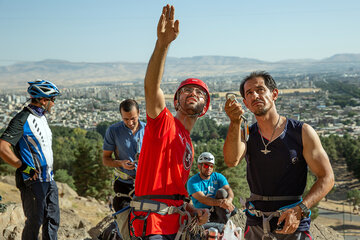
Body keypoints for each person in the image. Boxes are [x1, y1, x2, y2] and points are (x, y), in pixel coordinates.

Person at [223, 71, 335, 240]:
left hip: (293, 225)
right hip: (256, 224)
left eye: (260, 90)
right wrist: (235, 122)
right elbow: (231, 161)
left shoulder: (301, 132)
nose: (255, 95)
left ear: (274, 94)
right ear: (246, 103)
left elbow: (327, 178)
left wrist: (300, 210)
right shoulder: (246, 134)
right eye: (249, 93)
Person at [130, 5, 210, 239]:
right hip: (152, 225)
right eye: (186, 91)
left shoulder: (189, 143)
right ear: (176, 101)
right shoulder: (162, 121)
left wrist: (191, 208)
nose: (193, 93)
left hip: (176, 225)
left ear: (205, 108)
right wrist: (162, 45)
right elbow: (151, 86)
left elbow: (173, 191)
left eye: (199, 92)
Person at [0, 79, 61, 240]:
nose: (54, 103)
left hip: (49, 179)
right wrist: (24, 168)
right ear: (43, 100)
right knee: (34, 222)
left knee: (53, 221)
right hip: (32, 181)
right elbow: (2, 148)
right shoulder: (22, 119)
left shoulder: (42, 118)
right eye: (52, 99)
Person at [102, 99, 146, 212]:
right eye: (126, 119)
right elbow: (105, 160)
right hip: (123, 184)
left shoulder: (148, 130)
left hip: (146, 184)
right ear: (121, 116)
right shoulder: (113, 131)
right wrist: (120, 163)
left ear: (139, 113)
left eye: (133, 118)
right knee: (124, 221)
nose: (130, 122)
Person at [187, 152, 236, 224]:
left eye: (211, 166)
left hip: (218, 211)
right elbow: (203, 199)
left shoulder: (218, 177)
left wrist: (229, 200)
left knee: (222, 192)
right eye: (206, 166)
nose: (209, 168)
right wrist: (222, 203)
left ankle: (223, 224)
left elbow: (228, 190)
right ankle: (220, 226)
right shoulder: (192, 182)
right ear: (199, 166)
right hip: (203, 213)